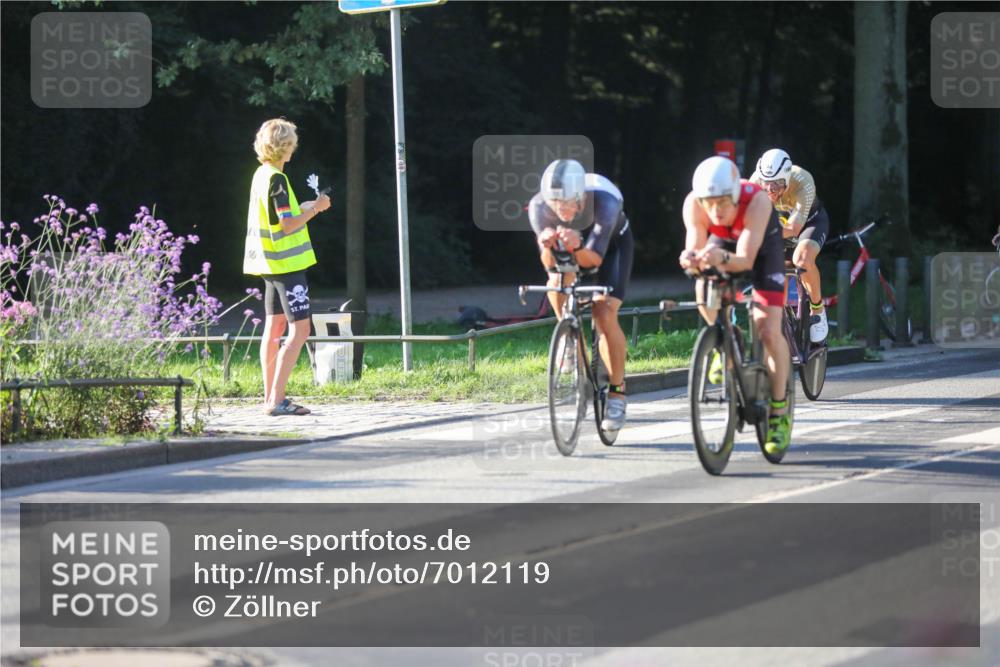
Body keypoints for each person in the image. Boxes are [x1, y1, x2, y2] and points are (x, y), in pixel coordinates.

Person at [679, 156, 792, 455]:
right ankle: (728, 336)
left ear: (735, 196)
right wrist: (691, 257)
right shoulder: (694, 203)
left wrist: (721, 260)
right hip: (723, 242)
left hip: (759, 248)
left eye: (722, 203)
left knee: (767, 330)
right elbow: (696, 240)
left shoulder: (756, 202)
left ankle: (779, 412)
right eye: (709, 203)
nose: (715, 211)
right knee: (703, 287)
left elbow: (745, 259)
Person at [528, 159, 634, 432]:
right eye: (555, 205)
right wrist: (549, 246)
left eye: (566, 204)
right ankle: (569, 336)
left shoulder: (605, 203)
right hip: (575, 249)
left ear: (581, 198)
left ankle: (617, 392)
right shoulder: (541, 207)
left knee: (603, 313)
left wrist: (574, 247)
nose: (560, 211)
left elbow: (593, 259)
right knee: (555, 280)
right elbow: (549, 264)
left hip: (610, 250)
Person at [243, 118, 331, 416]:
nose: (294, 147)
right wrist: (316, 210)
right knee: (300, 330)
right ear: (285, 146)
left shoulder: (261, 175)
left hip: (268, 262)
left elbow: (280, 216)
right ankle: (278, 400)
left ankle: (269, 397)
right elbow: (287, 225)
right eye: (292, 142)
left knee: (274, 328)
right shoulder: (278, 179)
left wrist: (303, 208)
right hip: (288, 265)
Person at [751, 148, 831, 343]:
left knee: (801, 259)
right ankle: (780, 320)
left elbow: (794, 229)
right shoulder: (755, 182)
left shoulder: (803, 181)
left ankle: (817, 309)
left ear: (787, 178)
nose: (770, 190)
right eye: (766, 184)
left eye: (777, 185)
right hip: (777, 224)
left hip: (809, 223)